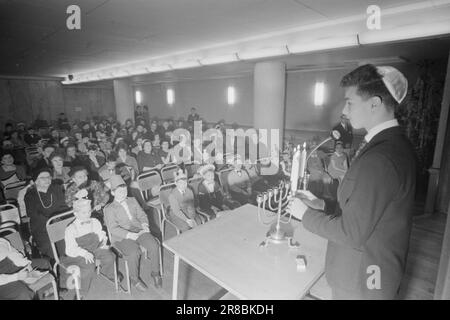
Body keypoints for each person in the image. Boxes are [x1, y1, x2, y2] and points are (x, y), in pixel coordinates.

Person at [287, 64, 416, 300]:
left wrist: (304, 214)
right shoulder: (393, 144)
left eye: (350, 102)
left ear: (375, 104)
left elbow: (351, 233)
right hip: (371, 273)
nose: (345, 110)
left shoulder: (381, 158)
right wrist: (322, 206)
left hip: (363, 281)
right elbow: (370, 211)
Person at [104, 175, 162, 290]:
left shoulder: (132, 200)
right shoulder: (109, 209)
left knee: (154, 245)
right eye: (119, 191)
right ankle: (134, 278)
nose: (123, 193)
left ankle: (155, 273)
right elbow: (113, 228)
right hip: (122, 237)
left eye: (124, 190)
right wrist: (130, 235)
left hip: (138, 229)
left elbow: (142, 215)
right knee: (134, 252)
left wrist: (145, 225)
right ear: (113, 193)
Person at [62, 199, 121, 299]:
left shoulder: (95, 222)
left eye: (89, 211)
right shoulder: (71, 229)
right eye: (84, 212)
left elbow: (101, 234)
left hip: (95, 248)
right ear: (75, 213)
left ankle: (108, 273)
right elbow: (70, 249)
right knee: (88, 268)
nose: (87, 215)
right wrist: (83, 253)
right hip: (79, 254)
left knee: (110, 256)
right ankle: (81, 292)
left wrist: (103, 242)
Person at [25, 168, 69, 262]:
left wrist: (60, 221)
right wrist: (53, 223)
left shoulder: (56, 188)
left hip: (60, 223)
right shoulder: (30, 195)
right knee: (57, 252)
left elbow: (63, 207)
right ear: (35, 181)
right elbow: (34, 215)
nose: (47, 179)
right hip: (42, 229)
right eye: (42, 178)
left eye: (48, 177)